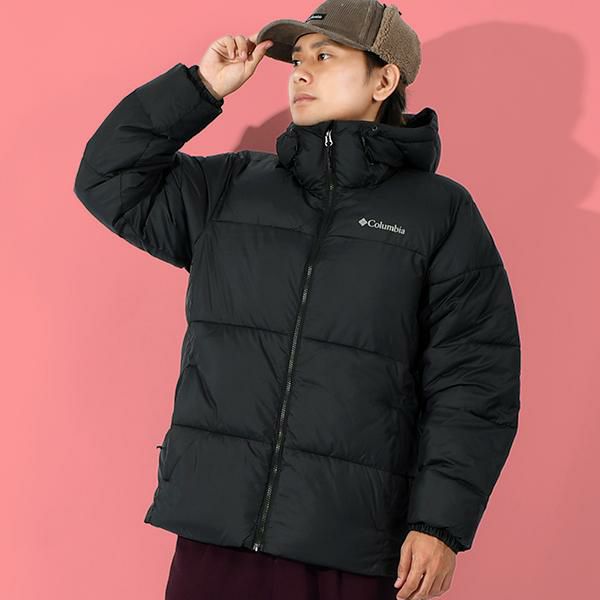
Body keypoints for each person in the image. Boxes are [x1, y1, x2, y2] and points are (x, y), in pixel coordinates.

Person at [73, 1, 521, 598]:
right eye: (298, 60)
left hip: (349, 542)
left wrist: (439, 524)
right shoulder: (230, 188)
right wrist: (201, 87)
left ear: (384, 80)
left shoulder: (440, 213)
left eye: (325, 56)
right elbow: (107, 177)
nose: (301, 72)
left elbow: (474, 379)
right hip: (217, 530)